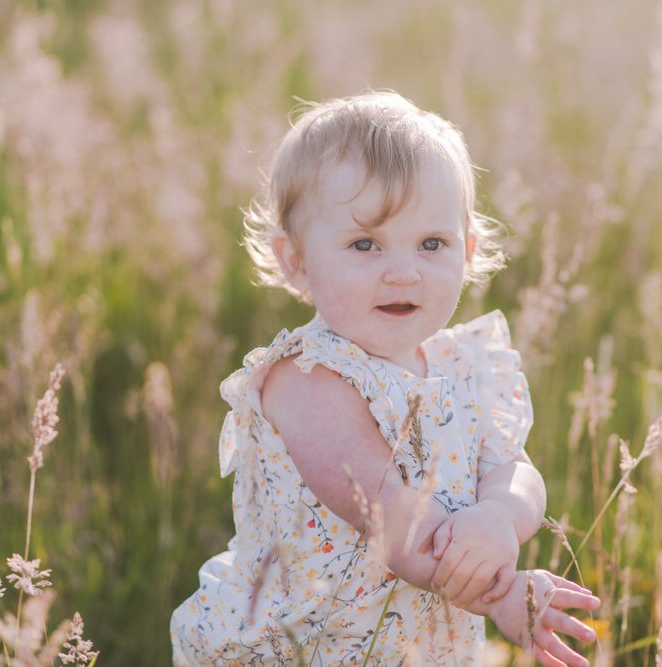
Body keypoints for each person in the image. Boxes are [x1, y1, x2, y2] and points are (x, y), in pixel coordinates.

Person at [171, 91, 600, 666]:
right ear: (295, 260)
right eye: (365, 244)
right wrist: (500, 591)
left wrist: (499, 517)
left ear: (468, 250)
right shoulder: (310, 381)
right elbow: (397, 529)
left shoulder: (465, 364)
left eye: (431, 244)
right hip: (309, 647)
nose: (403, 272)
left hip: (419, 645)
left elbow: (512, 468)